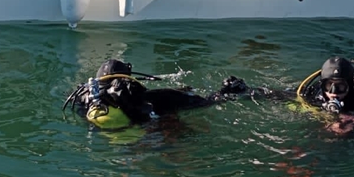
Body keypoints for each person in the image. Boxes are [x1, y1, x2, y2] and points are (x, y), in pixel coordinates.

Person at [64, 59, 257, 129]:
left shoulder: (86, 98)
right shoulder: (147, 97)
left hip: (113, 140)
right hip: (153, 137)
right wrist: (227, 90)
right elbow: (204, 103)